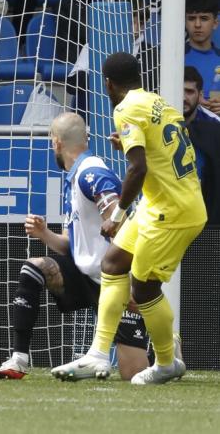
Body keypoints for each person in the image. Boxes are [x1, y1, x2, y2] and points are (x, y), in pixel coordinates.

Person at [52, 52, 206, 384]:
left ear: (108, 83)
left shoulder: (125, 109)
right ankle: (96, 353)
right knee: (113, 264)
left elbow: (139, 168)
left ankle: (167, 362)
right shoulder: (158, 102)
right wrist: (128, 148)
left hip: (172, 210)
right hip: (161, 201)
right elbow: (159, 153)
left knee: (144, 289)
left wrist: (118, 214)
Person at [0, 112, 149, 381]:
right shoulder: (73, 178)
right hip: (85, 275)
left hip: (115, 280)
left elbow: (121, 225)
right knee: (35, 268)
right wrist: (45, 235)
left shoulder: (91, 174)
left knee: (134, 374)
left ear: (56, 143)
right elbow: (70, 246)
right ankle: (19, 359)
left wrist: (134, 282)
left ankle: (165, 340)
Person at [183, 66, 220, 225]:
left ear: (200, 95)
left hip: (206, 216)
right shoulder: (157, 122)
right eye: (179, 90)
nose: (183, 97)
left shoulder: (215, 126)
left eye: (189, 92)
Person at [184, 0, 220, 115]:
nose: (197, 25)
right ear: (185, 22)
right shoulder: (173, 59)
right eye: (192, 18)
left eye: (204, 18)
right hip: (184, 127)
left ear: (215, 23)